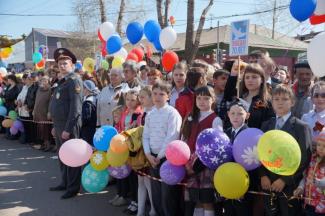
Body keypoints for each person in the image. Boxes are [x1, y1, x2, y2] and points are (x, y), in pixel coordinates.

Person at [259, 85, 311, 216]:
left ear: (292, 102)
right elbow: (260, 152)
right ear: (271, 102)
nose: (280, 102)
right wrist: (262, 175)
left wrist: (284, 180)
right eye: (276, 99)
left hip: (289, 186)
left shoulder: (301, 127)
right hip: (268, 183)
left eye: (284, 99)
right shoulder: (266, 125)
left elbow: (304, 158)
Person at [181, 86, 223, 216]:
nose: (202, 101)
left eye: (206, 98)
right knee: (195, 198)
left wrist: (201, 161)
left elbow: (217, 143)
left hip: (205, 165)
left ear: (213, 100)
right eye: (199, 98)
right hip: (189, 162)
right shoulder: (191, 117)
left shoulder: (215, 119)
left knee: (206, 199)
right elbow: (184, 137)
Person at [143, 81, 182, 216]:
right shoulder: (150, 114)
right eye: (155, 94)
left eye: (161, 94)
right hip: (153, 158)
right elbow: (146, 135)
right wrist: (148, 154)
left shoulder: (172, 113)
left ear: (168, 96)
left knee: (168, 195)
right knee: (156, 194)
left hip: (167, 159)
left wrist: (159, 156)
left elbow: (172, 136)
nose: (157, 97)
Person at [49, 48, 83, 199]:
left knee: (72, 158)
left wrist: (68, 129)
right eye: (60, 64)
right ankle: (65, 182)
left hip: (69, 126)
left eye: (65, 63)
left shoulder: (74, 80)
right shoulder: (61, 82)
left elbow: (75, 109)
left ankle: (73, 188)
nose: (62, 66)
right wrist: (55, 127)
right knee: (62, 156)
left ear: (72, 65)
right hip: (59, 125)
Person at [225, 63, 275, 129]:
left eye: (254, 77)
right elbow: (228, 123)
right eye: (247, 77)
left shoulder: (268, 102)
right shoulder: (238, 100)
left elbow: (269, 125)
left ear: (262, 80)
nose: (250, 80)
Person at [224, 100, 252, 216]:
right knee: (228, 211)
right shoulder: (225, 133)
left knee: (242, 211)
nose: (236, 117)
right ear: (228, 114)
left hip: (243, 181)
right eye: (233, 113)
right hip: (227, 179)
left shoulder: (250, 134)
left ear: (247, 115)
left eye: (240, 113)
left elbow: (251, 162)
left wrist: (242, 186)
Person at [294, 132, 325, 215]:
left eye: (324, 146)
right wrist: (300, 188)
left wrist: (318, 182)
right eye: (319, 145)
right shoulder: (311, 160)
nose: (321, 148)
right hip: (308, 204)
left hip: (321, 207)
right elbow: (305, 178)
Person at [137, 86, 156, 216]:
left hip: (150, 151)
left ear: (151, 97)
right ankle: (140, 211)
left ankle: (153, 209)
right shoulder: (143, 112)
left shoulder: (154, 112)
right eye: (140, 97)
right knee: (141, 181)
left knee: (149, 182)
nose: (140, 99)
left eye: (143, 97)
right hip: (142, 150)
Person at [302, 81, 325, 150]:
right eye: (316, 95)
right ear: (311, 98)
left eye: (324, 95)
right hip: (308, 155)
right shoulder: (305, 117)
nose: (320, 98)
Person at [33, 76, 52, 151]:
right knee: (40, 129)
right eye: (42, 81)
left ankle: (48, 144)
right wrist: (34, 110)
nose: (43, 82)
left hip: (45, 112)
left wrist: (49, 111)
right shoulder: (39, 90)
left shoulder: (50, 90)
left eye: (45, 81)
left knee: (46, 129)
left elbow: (51, 102)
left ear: (48, 81)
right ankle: (44, 144)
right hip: (38, 112)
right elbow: (36, 101)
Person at [80, 80, 98, 146]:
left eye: (83, 88)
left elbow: (86, 118)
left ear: (87, 89)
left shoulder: (88, 102)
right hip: (92, 128)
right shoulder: (94, 98)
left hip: (88, 130)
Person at [16, 73, 31, 144]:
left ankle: (28, 139)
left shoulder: (31, 87)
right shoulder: (24, 87)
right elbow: (20, 95)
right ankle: (24, 138)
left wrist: (23, 103)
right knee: (23, 125)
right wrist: (18, 100)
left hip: (26, 109)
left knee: (28, 125)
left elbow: (28, 97)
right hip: (21, 109)